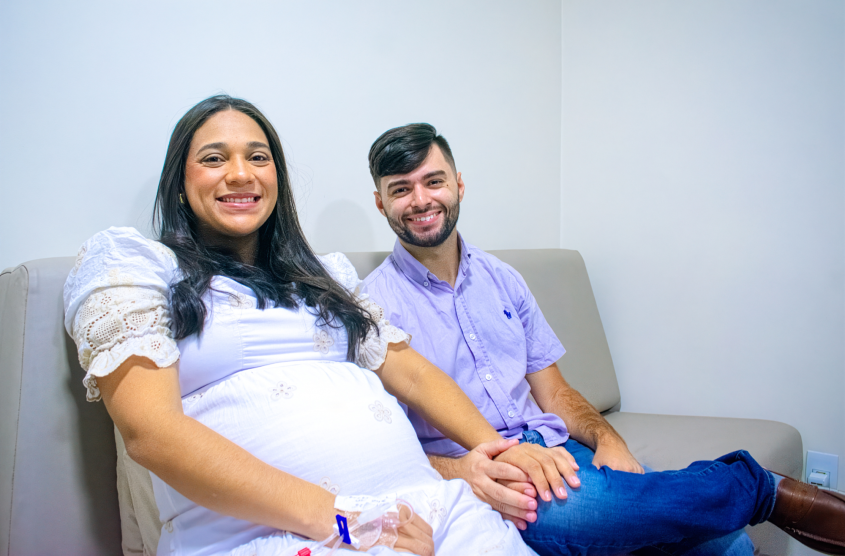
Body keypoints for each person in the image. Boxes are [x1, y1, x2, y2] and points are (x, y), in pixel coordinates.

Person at [64, 96, 542, 556]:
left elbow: (411, 372)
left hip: (426, 507)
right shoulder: (136, 265)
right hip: (275, 533)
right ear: (180, 180)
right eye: (214, 158)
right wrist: (344, 521)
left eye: (258, 157)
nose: (240, 173)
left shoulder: (326, 274)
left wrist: (496, 450)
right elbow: (152, 433)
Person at [361, 122, 845, 556]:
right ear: (381, 202)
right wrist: (465, 472)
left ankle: (743, 493)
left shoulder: (503, 279)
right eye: (401, 189)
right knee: (707, 534)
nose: (421, 200)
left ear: (459, 184)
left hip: (558, 450)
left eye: (434, 181)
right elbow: (384, 446)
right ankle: (759, 488)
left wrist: (607, 438)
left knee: (726, 545)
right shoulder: (372, 309)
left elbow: (555, 393)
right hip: (501, 478)